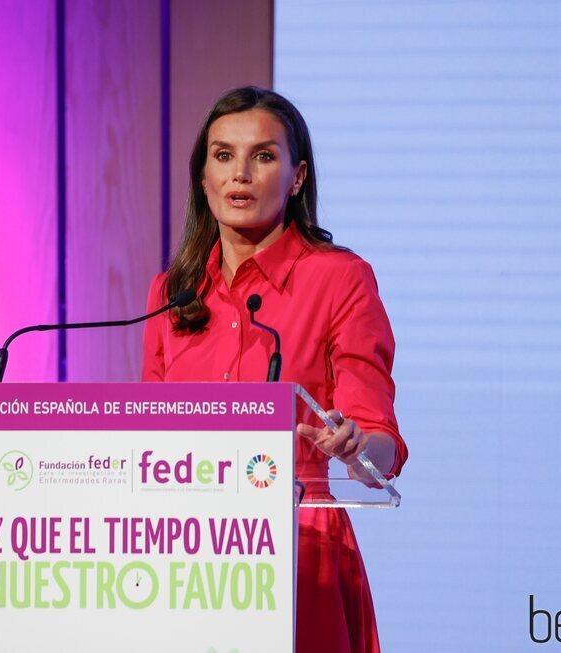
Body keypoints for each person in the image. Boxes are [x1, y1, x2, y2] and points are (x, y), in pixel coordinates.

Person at [141, 86, 408, 653]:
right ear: (204, 177)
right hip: (186, 559)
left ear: (296, 177)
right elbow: (151, 441)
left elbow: (378, 442)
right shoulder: (171, 294)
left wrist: (357, 448)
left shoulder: (340, 279)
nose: (240, 173)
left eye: (263, 156)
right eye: (222, 155)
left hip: (299, 554)